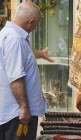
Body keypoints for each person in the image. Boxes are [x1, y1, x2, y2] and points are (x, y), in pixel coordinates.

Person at [0, 2, 54, 140]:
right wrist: (24, 108)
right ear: (31, 22)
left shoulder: (7, 35)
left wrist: (41, 54)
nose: (35, 27)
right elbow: (15, 78)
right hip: (17, 115)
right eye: (36, 24)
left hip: (10, 113)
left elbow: (21, 56)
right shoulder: (15, 40)